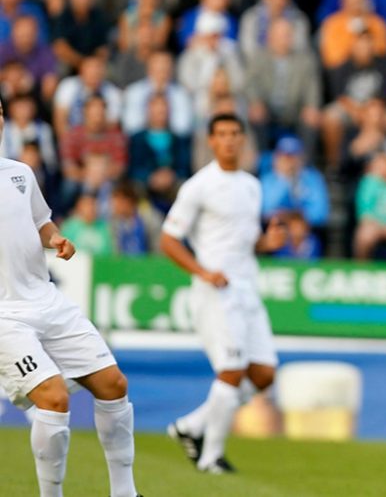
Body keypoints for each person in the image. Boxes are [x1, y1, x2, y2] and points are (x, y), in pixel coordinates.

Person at [0, 99, 142, 497]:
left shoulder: (20, 174)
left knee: (113, 384)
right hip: (5, 315)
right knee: (54, 398)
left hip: (46, 298)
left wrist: (56, 238)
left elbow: (40, 220)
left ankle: (125, 492)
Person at [160, 113, 287, 473]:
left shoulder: (251, 185)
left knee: (263, 375)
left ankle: (192, 427)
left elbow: (245, 243)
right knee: (231, 371)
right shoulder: (199, 185)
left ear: (243, 140)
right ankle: (211, 457)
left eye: (235, 134)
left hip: (247, 286)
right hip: (215, 290)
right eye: (222, 135)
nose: (230, 140)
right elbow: (168, 239)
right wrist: (202, 271)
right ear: (211, 141)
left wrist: (268, 242)